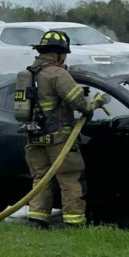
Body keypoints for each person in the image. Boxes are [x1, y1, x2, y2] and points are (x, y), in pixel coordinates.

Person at [17, 30, 95, 229]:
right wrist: (93, 104)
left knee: (41, 179)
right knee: (69, 179)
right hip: (59, 139)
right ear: (59, 54)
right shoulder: (58, 73)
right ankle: (74, 222)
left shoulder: (28, 74)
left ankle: (37, 219)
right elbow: (79, 102)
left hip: (34, 137)